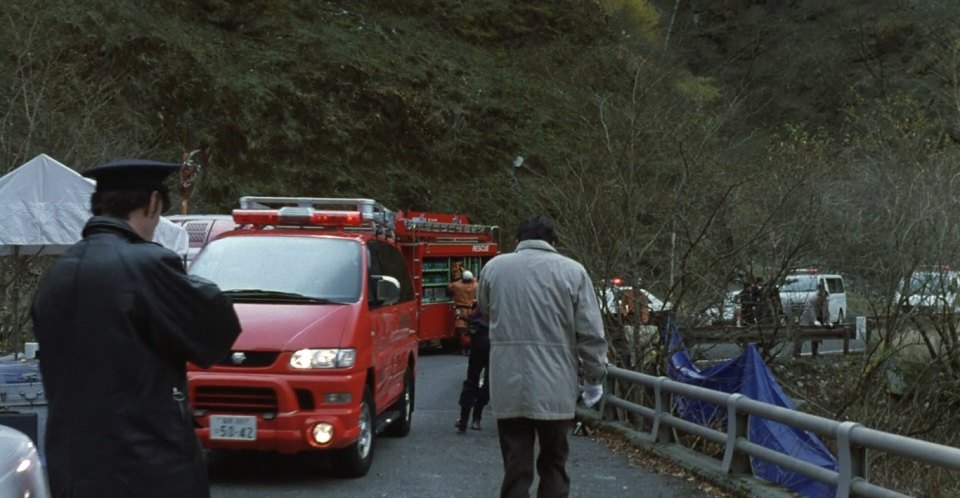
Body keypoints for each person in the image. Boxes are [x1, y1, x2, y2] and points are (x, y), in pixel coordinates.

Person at [31, 159, 242, 498]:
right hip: (146, 468)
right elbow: (217, 332)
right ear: (154, 202)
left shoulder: (57, 276)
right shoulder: (147, 265)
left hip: (72, 467)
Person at [478, 215, 608, 498]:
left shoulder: (494, 269)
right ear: (554, 242)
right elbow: (591, 332)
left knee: (515, 464)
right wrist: (594, 378)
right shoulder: (574, 272)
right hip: (556, 385)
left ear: (518, 239)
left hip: (507, 382)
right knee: (554, 462)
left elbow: (485, 307)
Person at [455, 309, 490, 434]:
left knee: (472, 381)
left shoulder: (483, 303)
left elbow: (475, 314)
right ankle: (476, 418)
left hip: (480, 340)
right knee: (488, 384)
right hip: (493, 343)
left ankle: (464, 420)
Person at [447, 269, 479, 355]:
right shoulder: (475, 285)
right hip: (470, 309)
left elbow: (449, 286)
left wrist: (458, 277)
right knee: (468, 329)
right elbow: (476, 280)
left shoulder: (457, 286)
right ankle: (469, 347)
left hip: (460, 309)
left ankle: (460, 348)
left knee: (460, 329)